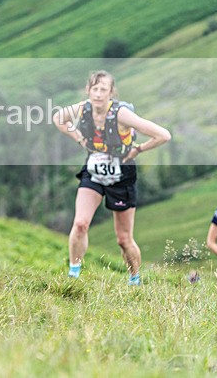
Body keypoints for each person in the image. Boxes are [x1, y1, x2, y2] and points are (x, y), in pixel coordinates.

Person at [53, 70, 170, 285]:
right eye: (95, 89)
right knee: (80, 224)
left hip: (121, 174)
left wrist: (138, 149)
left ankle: (134, 280)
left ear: (111, 92)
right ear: (88, 90)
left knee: (123, 239)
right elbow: (59, 118)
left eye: (103, 89)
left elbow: (163, 135)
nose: (98, 94)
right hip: (94, 171)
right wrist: (79, 138)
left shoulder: (121, 114)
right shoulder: (84, 108)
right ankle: (73, 274)